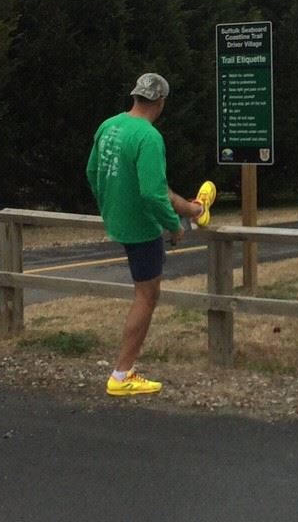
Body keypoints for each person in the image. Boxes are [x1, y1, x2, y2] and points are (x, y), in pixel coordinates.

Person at [87, 72, 206, 398]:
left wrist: (107, 204)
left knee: (143, 293)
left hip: (117, 219)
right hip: (142, 228)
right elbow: (154, 193)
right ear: (161, 101)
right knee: (146, 295)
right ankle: (122, 374)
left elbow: (92, 171)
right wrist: (173, 224)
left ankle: (123, 371)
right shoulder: (149, 137)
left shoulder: (109, 125)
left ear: (136, 96)